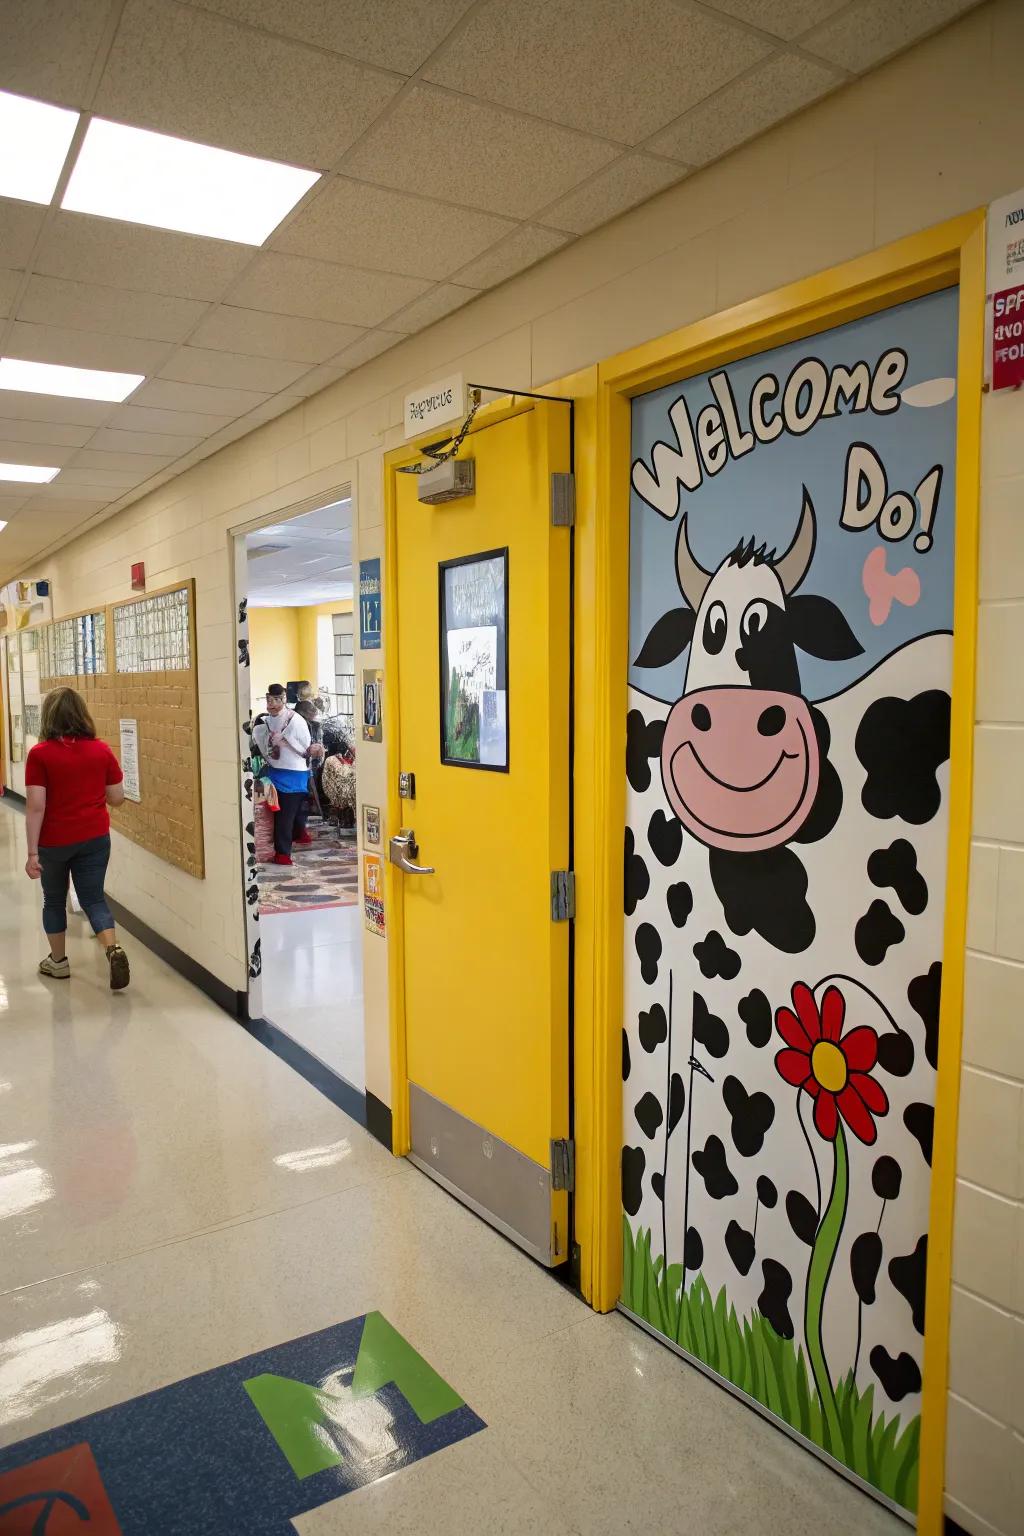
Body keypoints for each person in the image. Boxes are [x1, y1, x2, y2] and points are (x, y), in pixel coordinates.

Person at [24, 686, 130, 990]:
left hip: (54, 843)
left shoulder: (40, 755)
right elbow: (117, 797)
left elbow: (35, 806)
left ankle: (58, 963)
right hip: (95, 838)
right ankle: (113, 948)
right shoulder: (101, 750)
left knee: (54, 899)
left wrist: (32, 854)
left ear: (48, 717)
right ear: (82, 715)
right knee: (93, 898)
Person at [251, 683, 312, 865]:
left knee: (286, 814)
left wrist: (285, 740)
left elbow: (306, 747)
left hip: (294, 774)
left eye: (277, 700)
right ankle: (283, 846)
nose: (272, 705)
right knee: (275, 814)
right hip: (274, 772)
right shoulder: (265, 722)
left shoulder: (296, 721)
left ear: (284, 700)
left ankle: (283, 853)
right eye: (270, 701)